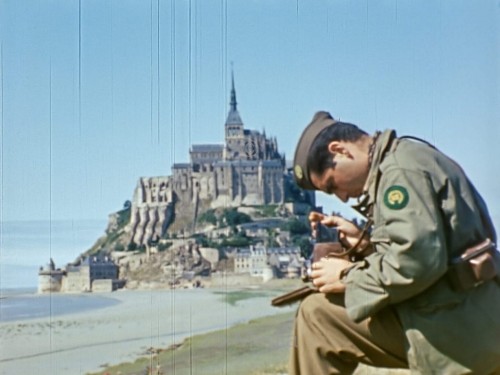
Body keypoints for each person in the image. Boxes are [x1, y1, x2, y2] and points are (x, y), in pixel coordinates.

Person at [290, 111, 500, 374]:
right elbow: (427, 247)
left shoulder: (399, 171)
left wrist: (346, 276)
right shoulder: (404, 159)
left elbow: (418, 262)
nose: (342, 198)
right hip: (466, 314)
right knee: (319, 314)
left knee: (317, 317)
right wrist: (365, 244)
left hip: (456, 326)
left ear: (339, 150)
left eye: (333, 185)